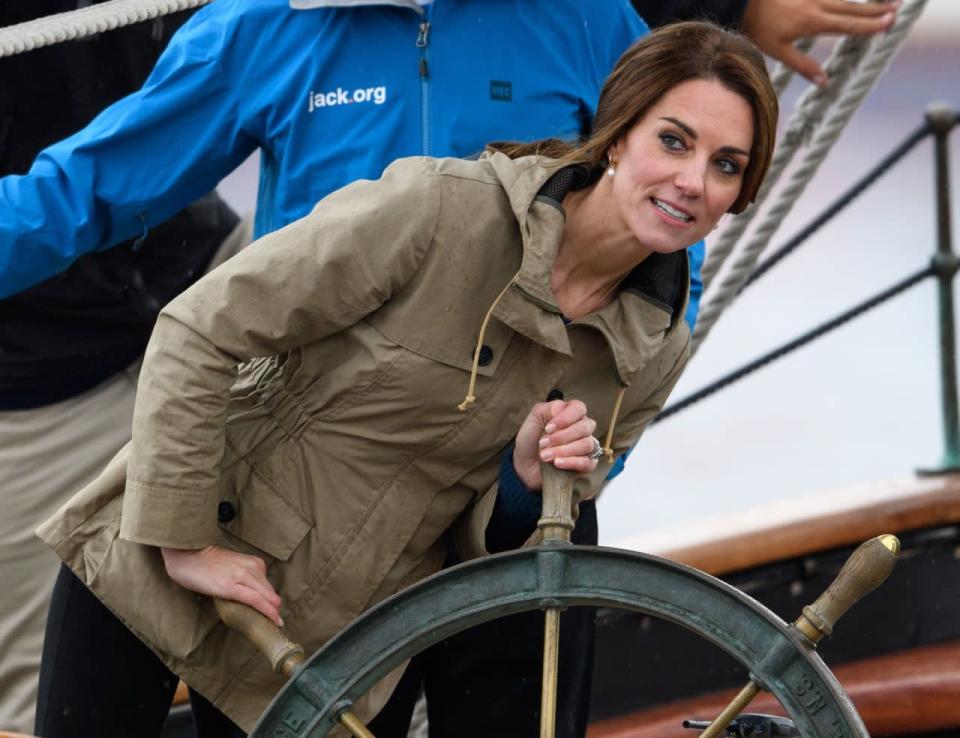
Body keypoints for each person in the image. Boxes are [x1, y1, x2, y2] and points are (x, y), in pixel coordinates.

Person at [33, 20, 778, 738]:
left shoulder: (653, 351)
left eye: (726, 165)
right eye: (673, 141)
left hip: (337, 647)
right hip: (159, 562)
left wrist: (520, 486)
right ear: (617, 135)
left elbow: (493, 552)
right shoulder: (441, 208)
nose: (691, 182)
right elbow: (200, 329)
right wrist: (183, 540)